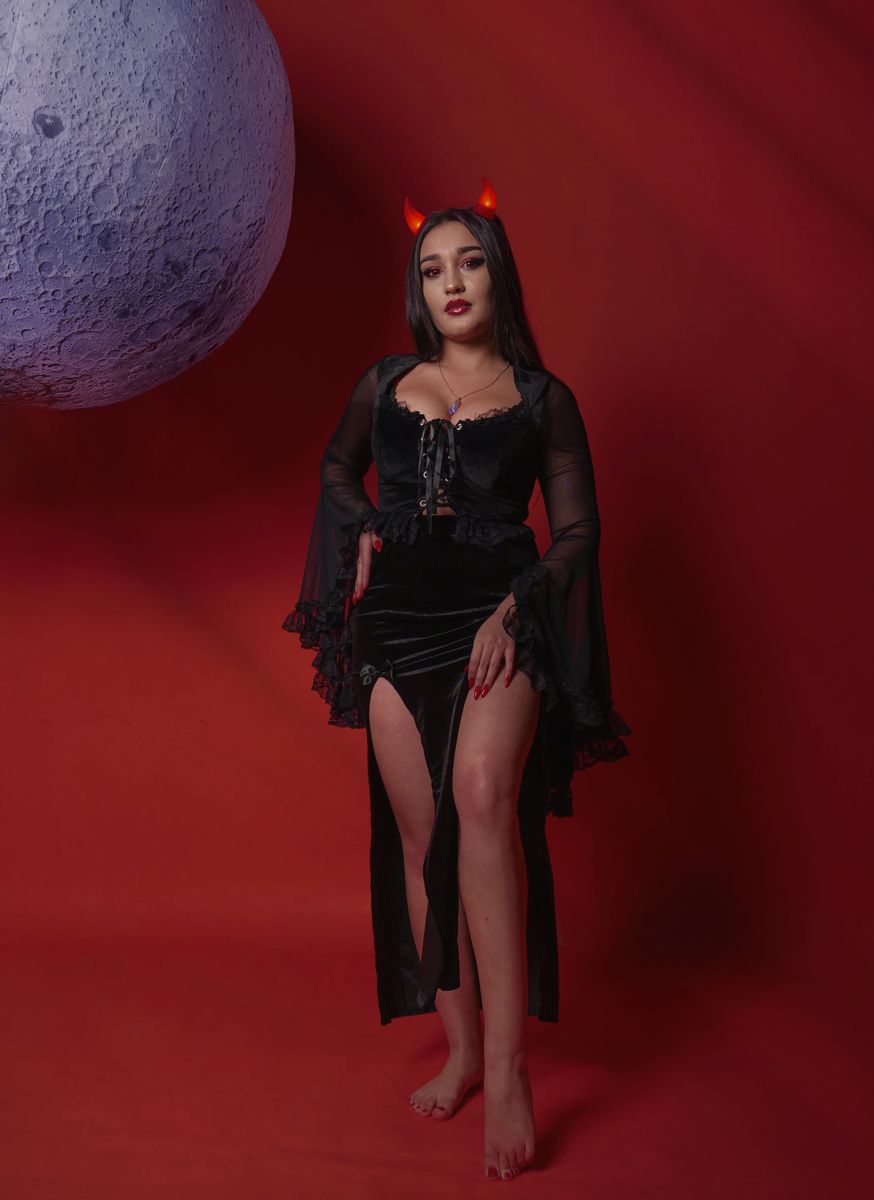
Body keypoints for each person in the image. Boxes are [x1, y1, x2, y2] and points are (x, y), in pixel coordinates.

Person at [281, 177, 631, 1182]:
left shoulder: (543, 400)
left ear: (497, 273)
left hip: (497, 616)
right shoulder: (385, 382)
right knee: (420, 831)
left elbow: (577, 533)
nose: (452, 282)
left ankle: (511, 1071)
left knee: (482, 795)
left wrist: (517, 609)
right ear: (419, 291)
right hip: (395, 619)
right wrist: (361, 531)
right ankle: (465, 1049)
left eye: (469, 261)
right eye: (433, 269)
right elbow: (337, 469)